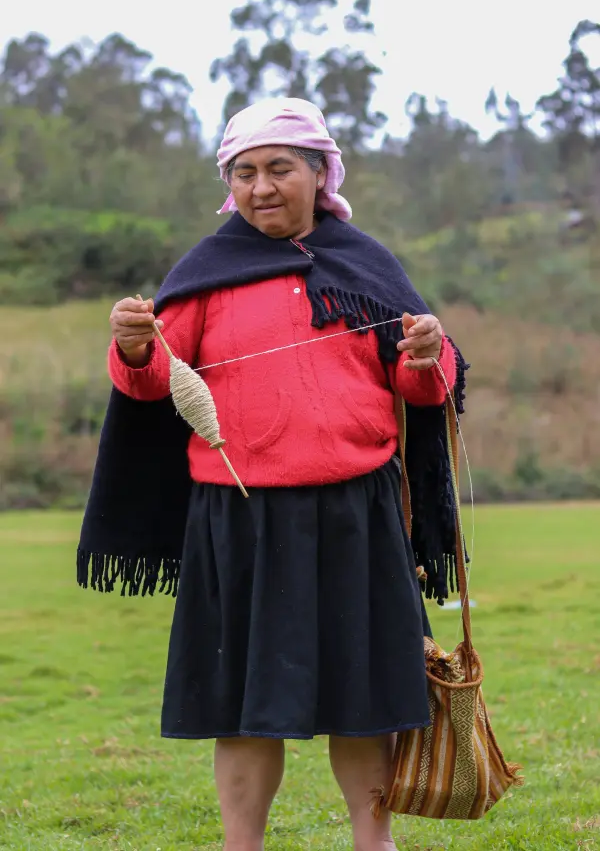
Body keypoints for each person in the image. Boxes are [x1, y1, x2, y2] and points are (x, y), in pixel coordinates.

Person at [78, 97, 468, 851]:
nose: (261, 186)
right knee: (244, 704)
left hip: (358, 514)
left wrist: (427, 352)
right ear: (230, 184)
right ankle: (241, 846)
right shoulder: (206, 274)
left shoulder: (369, 266)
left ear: (320, 174)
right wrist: (132, 348)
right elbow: (154, 382)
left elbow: (425, 388)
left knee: (367, 698)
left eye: (279, 168)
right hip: (240, 520)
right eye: (245, 172)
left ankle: (373, 841)